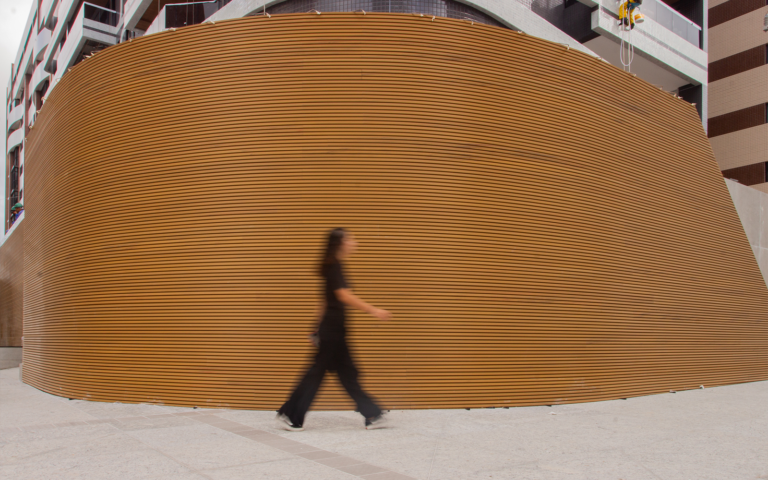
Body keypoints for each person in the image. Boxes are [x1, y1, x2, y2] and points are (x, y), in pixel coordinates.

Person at [277, 228, 392, 431]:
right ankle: (291, 414)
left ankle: (372, 413)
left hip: (333, 330)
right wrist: (373, 310)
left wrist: (315, 327)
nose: (354, 241)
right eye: (350, 238)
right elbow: (343, 296)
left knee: (346, 373)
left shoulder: (333, 265)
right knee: (319, 374)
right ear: (340, 243)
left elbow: (324, 301)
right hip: (333, 333)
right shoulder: (334, 267)